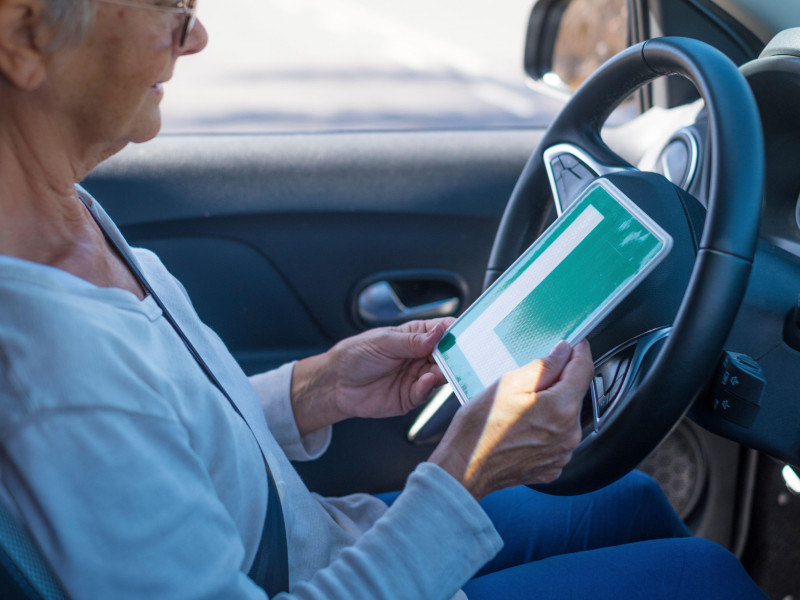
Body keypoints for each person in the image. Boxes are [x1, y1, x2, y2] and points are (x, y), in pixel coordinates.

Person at [0, 0, 768, 598]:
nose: (194, 36)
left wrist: (313, 391)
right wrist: (465, 477)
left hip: (332, 546)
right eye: (170, 6)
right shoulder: (54, 376)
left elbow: (164, 437)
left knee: (628, 502)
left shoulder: (65, 218)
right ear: (23, 35)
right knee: (707, 581)